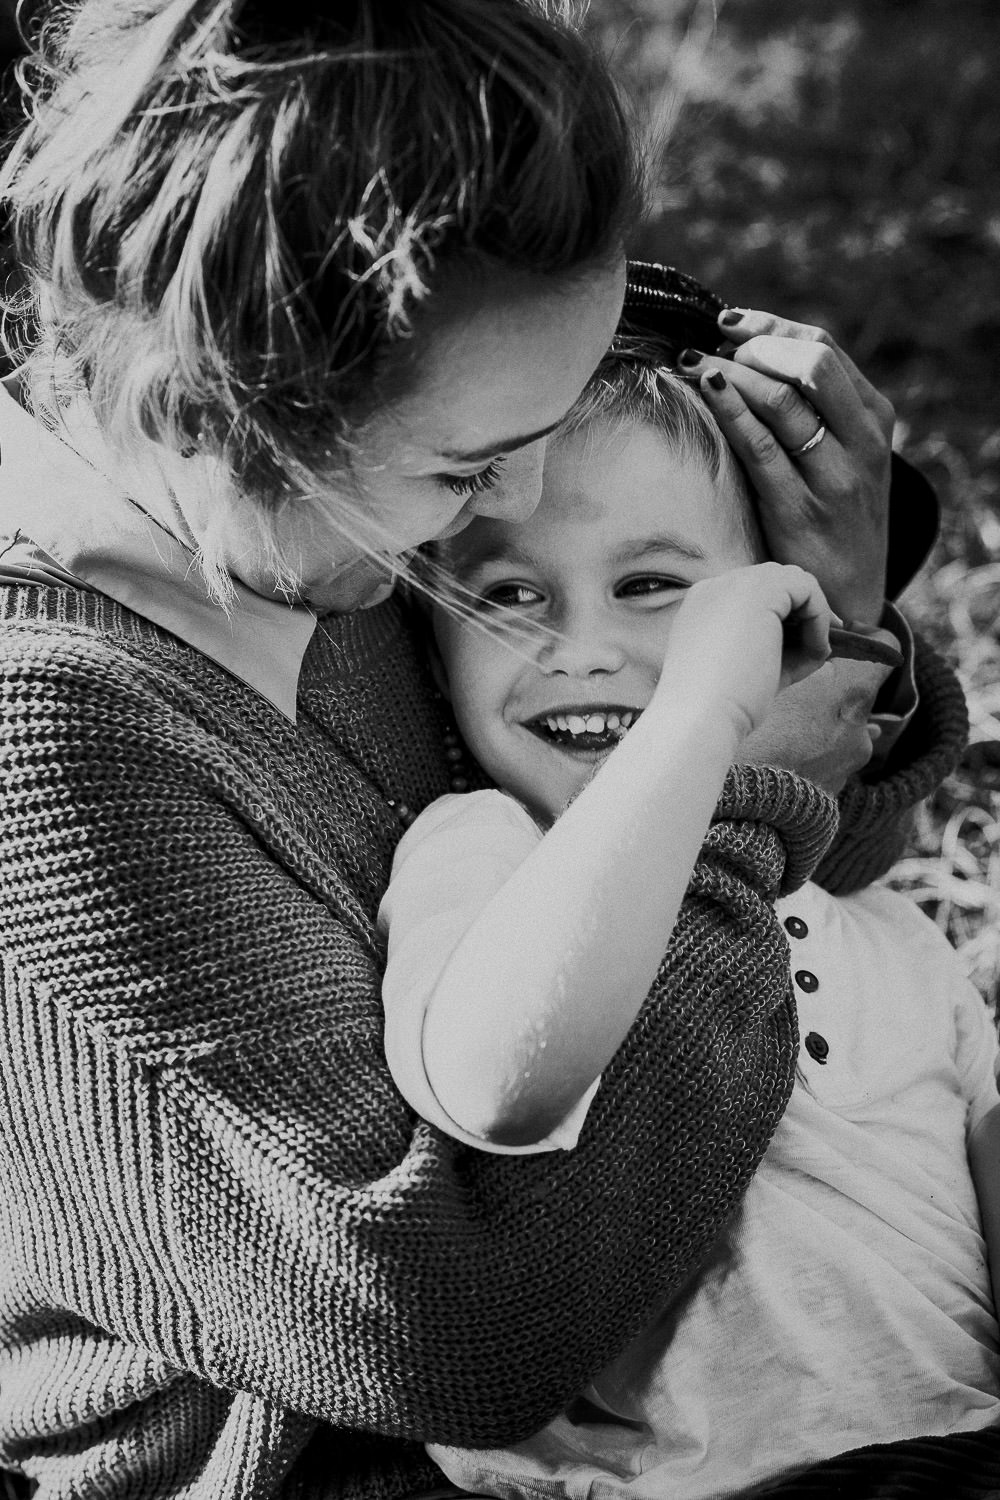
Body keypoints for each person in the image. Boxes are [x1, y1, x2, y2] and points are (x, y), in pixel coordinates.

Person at [0, 2, 968, 1498]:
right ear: (236, 402)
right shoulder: (56, 739)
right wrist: (742, 767)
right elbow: (455, 1328)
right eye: (467, 462)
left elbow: (804, 903)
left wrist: (820, 625)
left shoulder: (317, 533)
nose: (509, 495)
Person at [380, 353, 1000, 1496]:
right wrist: (702, 716)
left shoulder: (881, 929)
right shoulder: (481, 851)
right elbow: (499, 1075)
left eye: (653, 585)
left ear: (781, 611)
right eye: (508, 594)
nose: (582, 647)